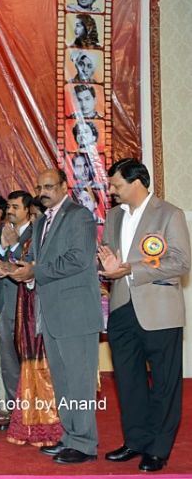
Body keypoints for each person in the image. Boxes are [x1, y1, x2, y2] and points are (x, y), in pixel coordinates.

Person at [4, 168, 102, 464]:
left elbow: (78, 259)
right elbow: (37, 262)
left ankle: (84, 444)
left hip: (76, 312)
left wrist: (35, 271)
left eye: (48, 186)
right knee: (62, 380)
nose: (43, 192)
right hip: (50, 312)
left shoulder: (79, 216)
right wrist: (17, 269)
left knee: (80, 381)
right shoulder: (42, 221)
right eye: (39, 187)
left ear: (63, 186)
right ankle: (70, 437)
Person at [98, 158, 190, 472]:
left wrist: (131, 269)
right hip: (121, 309)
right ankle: (135, 441)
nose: (111, 191)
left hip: (159, 311)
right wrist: (108, 267)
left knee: (165, 383)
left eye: (116, 185)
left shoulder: (169, 214)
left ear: (136, 182)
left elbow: (180, 262)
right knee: (128, 381)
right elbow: (110, 255)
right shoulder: (113, 216)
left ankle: (158, 449)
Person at [0, 191, 33, 432]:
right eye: (8, 206)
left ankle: (33, 412)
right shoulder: (2, 231)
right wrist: (3, 246)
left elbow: (30, 263)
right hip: (5, 306)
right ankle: (15, 412)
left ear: (28, 210)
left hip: (28, 306)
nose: (10, 211)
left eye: (15, 207)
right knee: (7, 361)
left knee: (28, 361)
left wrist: (15, 245)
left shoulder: (36, 233)